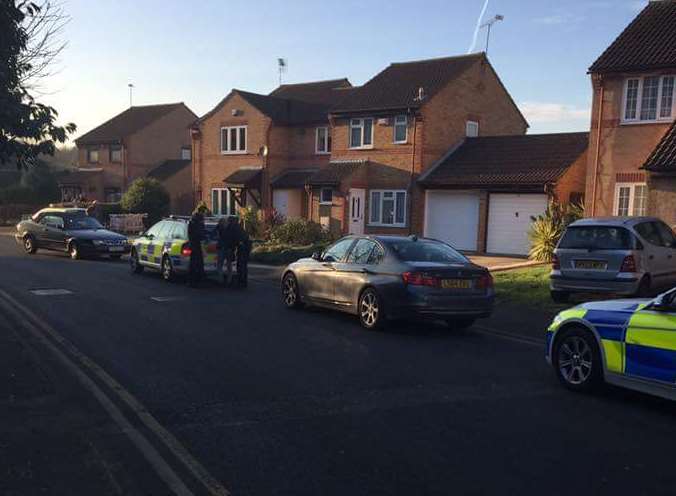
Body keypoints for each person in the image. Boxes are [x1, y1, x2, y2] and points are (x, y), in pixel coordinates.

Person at [216, 216, 239, 286]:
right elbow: (235, 239)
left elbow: (214, 234)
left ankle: (221, 279)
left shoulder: (219, 228)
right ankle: (229, 280)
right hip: (229, 249)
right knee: (229, 265)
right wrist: (233, 247)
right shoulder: (232, 229)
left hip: (222, 248)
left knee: (220, 265)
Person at [187, 211, 206, 287]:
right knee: (198, 264)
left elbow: (190, 234)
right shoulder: (199, 224)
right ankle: (198, 280)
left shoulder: (191, 223)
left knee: (193, 264)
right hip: (197, 246)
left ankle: (192, 281)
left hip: (193, 245)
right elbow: (201, 235)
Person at [235, 222, 251, 288]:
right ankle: (243, 281)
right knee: (243, 267)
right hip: (245, 252)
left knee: (241, 267)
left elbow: (239, 242)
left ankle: (241, 281)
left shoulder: (240, 233)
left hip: (242, 252)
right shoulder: (244, 232)